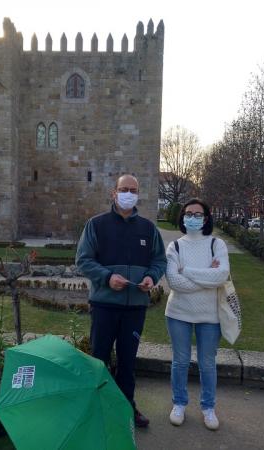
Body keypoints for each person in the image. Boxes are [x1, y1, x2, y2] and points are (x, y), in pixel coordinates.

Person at [76, 174, 167, 428]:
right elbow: (83, 260)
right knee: (99, 359)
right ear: (114, 193)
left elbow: (159, 260)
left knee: (128, 361)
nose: (129, 194)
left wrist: (151, 277)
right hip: (104, 305)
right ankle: (97, 409)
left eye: (133, 190)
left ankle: (127, 407)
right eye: (124, 189)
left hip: (135, 307)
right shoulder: (96, 224)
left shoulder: (148, 229)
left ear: (138, 194)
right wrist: (107, 277)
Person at [164, 198, 230, 431]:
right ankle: (179, 404)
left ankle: (208, 408)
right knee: (180, 361)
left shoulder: (216, 244)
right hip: (178, 313)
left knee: (207, 364)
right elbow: (174, 281)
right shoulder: (175, 246)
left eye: (197, 214)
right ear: (182, 217)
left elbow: (221, 275)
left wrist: (187, 271)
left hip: (209, 315)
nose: (192, 217)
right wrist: (206, 277)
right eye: (188, 213)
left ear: (206, 218)